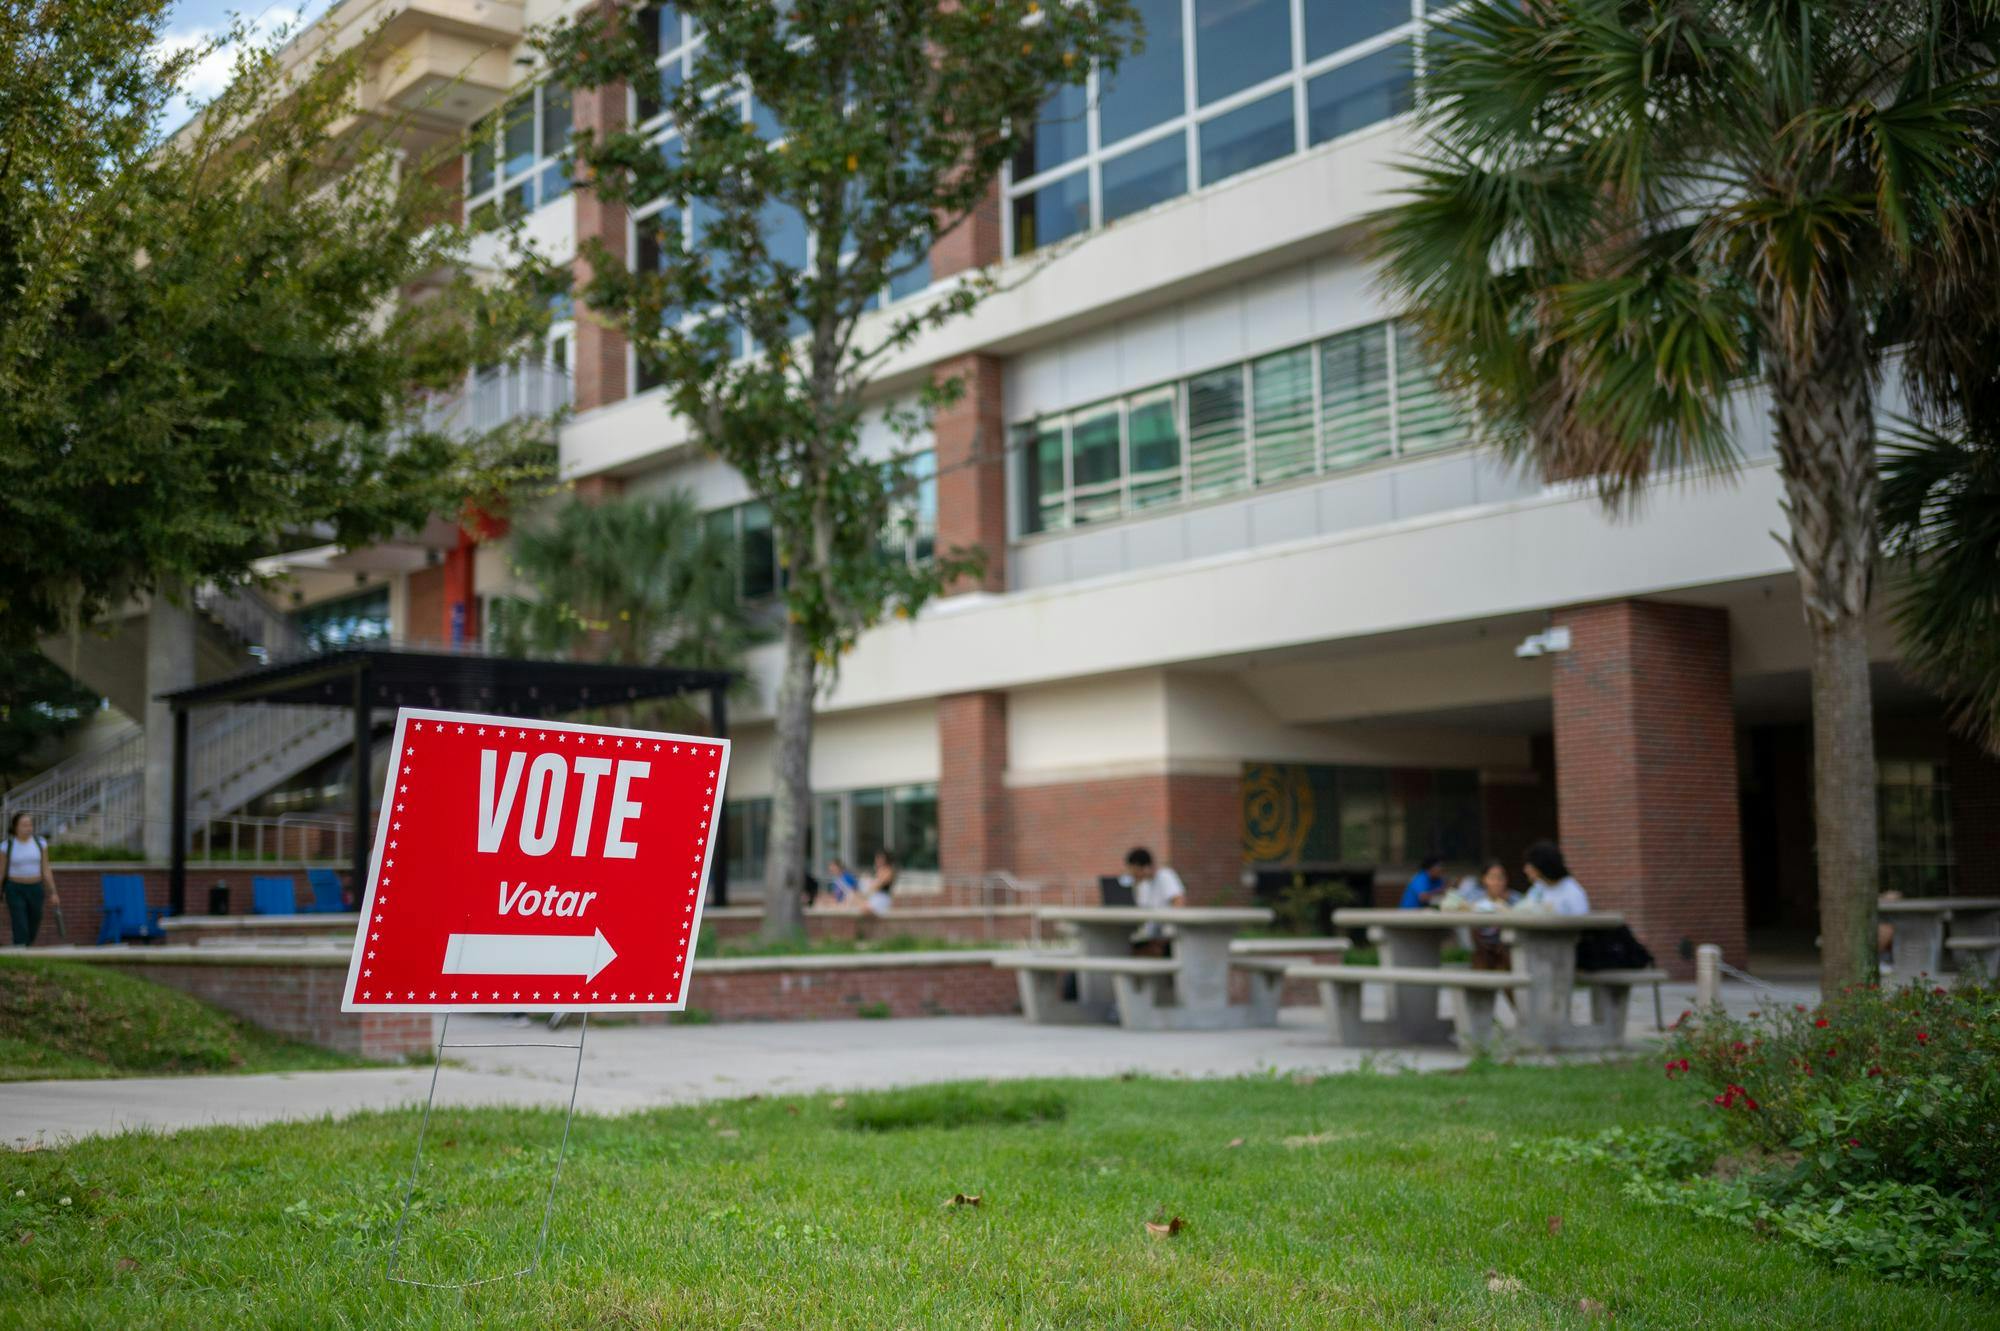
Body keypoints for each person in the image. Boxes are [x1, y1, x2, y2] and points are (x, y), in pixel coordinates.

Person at [4, 812, 59, 947]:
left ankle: (25, 949)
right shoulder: (7, 845)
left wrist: (53, 892)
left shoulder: (40, 843)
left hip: (35, 888)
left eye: (30, 825)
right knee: (20, 923)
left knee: (34, 921)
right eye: (24, 825)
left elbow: (46, 869)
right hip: (15, 888)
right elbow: (1, 871)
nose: (28, 828)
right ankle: (20, 950)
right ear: (15, 827)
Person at [1120, 846, 1185, 956]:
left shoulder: (1165, 876)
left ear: (1145, 867)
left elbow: (1179, 901)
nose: (1132, 875)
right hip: (1152, 935)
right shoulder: (1143, 885)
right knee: (1127, 948)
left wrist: (1167, 930)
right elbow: (1141, 911)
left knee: (1142, 952)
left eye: (1134, 870)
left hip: (1168, 936)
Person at [1466, 859, 1519, 970]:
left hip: (1507, 945)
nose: (1497, 882)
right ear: (1484, 879)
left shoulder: (1515, 899)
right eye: (1492, 878)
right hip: (1483, 945)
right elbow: (1471, 925)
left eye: (1500, 878)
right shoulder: (1476, 900)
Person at [1521, 841, 1590, 915]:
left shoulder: (1572, 893)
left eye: (1530, 865)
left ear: (1542, 866)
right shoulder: (1538, 887)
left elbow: (1581, 923)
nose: (1525, 870)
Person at [862, 849, 897, 917]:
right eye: (877, 858)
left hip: (882, 898)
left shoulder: (888, 871)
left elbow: (877, 886)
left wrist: (870, 883)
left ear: (885, 859)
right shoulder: (878, 870)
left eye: (880, 858)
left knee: (864, 909)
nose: (877, 860)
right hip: (875, 897)